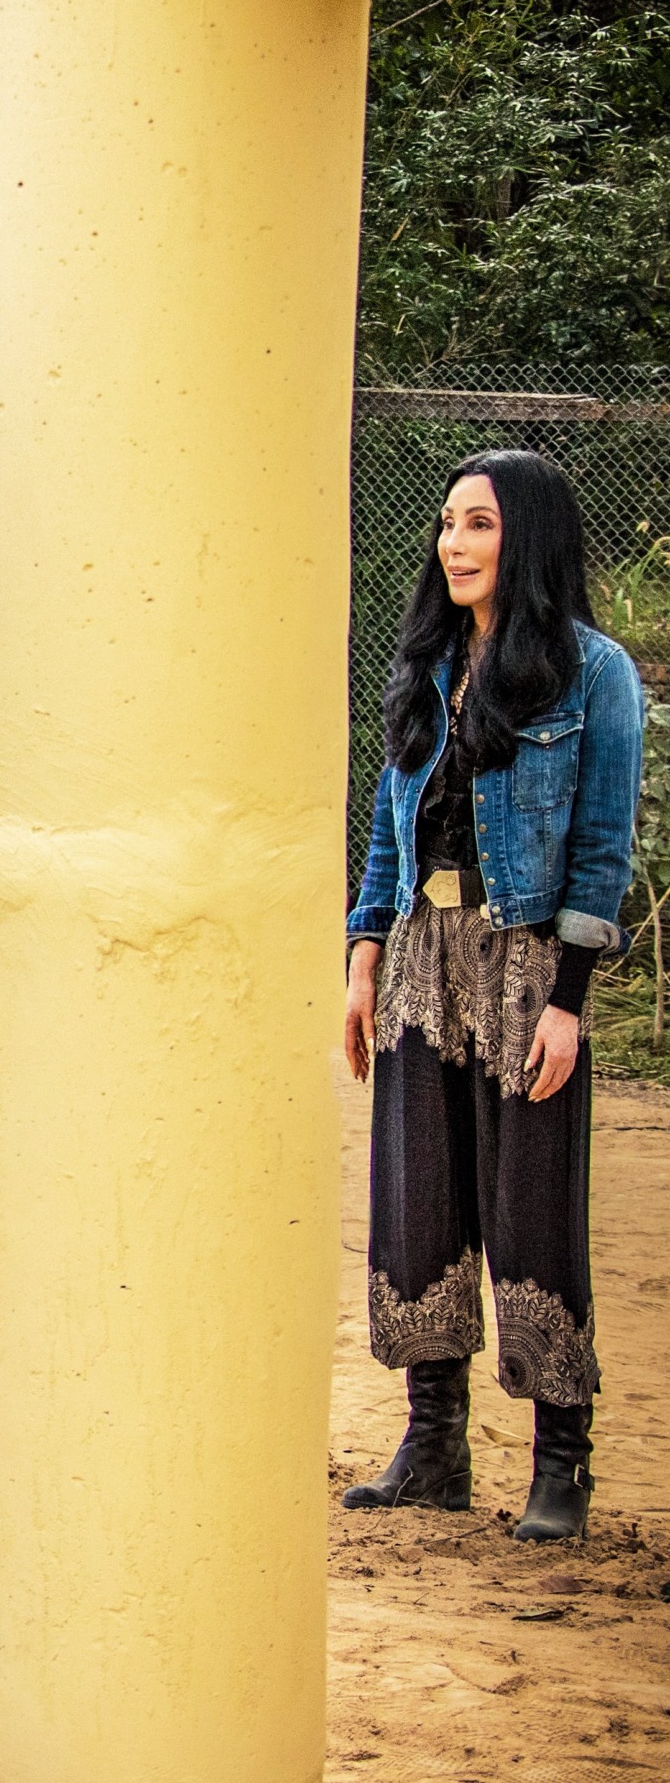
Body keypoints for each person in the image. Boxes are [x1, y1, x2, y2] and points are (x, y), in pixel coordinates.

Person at [343, 449, 643, 1542]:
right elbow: (389, 821)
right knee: (418, 1197)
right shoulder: (426, 666)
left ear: (527, 536)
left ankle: (560, 1462)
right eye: (445, 524)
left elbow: (602, 847)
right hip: (423, 950)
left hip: (524, 965)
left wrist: (569, 996)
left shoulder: (594, 673)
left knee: (529, 1207)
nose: (452, 544)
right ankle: (432, 1447)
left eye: (477, 524)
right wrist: (364, 947)